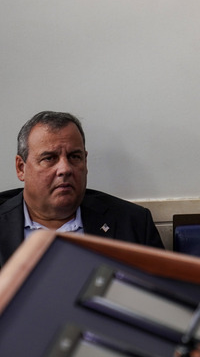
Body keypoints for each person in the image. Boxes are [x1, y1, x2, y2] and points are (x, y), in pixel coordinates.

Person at [0, 111, 164, 269]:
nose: (65, 169)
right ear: (21, 168)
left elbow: (163, 293)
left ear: (85, 162)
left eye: (74, 157)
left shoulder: (132, 223)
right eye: (49, 158)